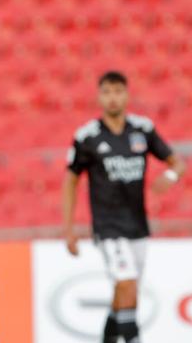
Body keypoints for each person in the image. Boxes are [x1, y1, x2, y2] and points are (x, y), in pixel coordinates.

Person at [63, 71, 186, 343]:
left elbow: (177, 162)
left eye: (118, 91)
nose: (113, 98)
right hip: (109, 227)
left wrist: (170, 176)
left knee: (125, 295)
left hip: (137, 226)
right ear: (99, 96)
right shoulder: (88, 137)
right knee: (127, 285)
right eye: (107, 92)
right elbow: (71, 180)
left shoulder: (143, 130)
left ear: (127, 95)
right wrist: (69, 228)